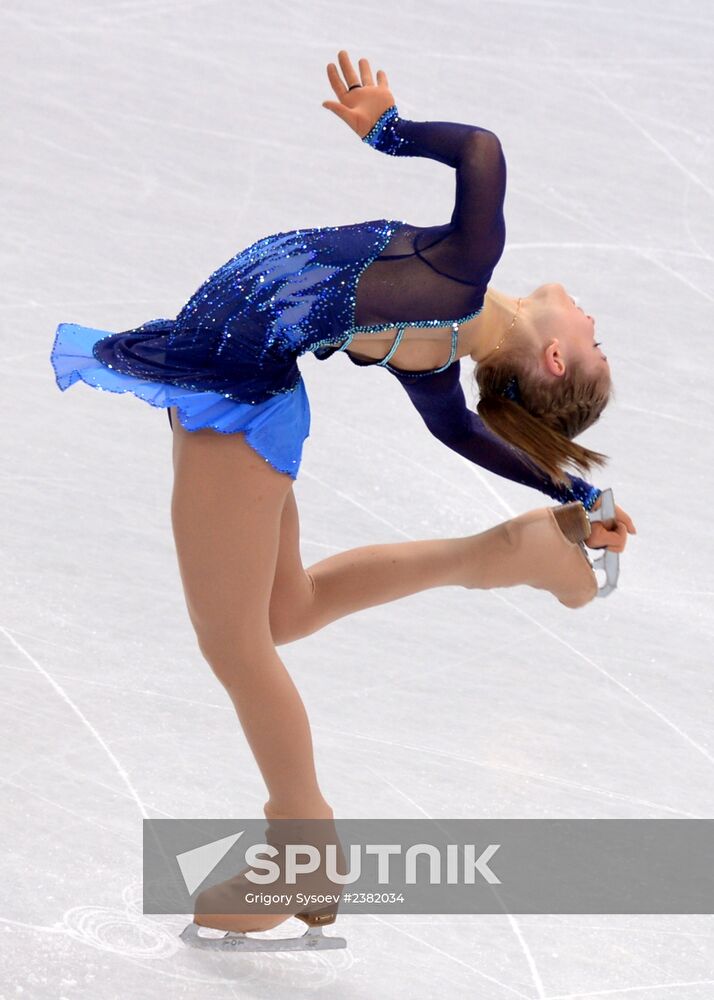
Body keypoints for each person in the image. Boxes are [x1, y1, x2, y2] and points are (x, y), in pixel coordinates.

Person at [49, 50, 636, 948]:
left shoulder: (463, 274)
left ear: (554, 359)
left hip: (236, 400)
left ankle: (304, 848)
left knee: (237, 642)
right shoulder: (437, 340)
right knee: (283, 612)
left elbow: (482, 148)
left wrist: (392, 132)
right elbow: (460, 434)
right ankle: (510, 552)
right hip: (242, 385)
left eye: (596, 344)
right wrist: (576, 489)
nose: (595, 323)